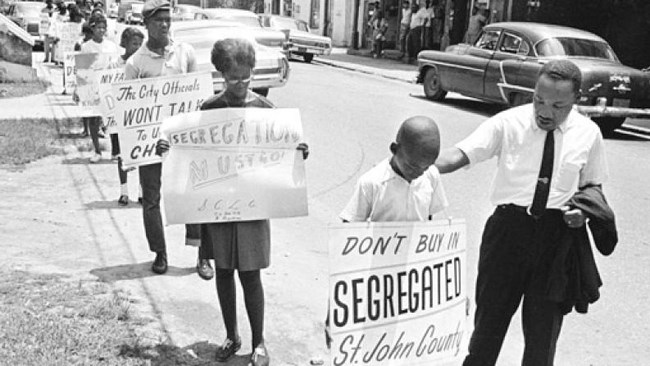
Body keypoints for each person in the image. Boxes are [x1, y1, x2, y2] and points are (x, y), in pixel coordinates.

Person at [434, 59, 610, 366]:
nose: (544, 112)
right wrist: (420, 166)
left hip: (556, 241)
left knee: (543, 338)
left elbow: (592, 186)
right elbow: (462, 154)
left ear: (576, 100)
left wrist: (583, 213)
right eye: (538, 100)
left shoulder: (589, 134)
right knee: (488, 328)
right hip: (508, 234)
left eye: (558, 106)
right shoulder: (509, 123)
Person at [156, 38, 309, 366]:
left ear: (253, 74)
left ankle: (259, 342)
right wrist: (170, 149)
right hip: (218, 207)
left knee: (250, 274)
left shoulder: (267, 111)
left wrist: (298, 151)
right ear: (220, 75)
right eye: (231, 78)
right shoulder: (209, 110)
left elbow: (287, 147)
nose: (239, 85)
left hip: (253, 207)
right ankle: (231, 334)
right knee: (224, 271)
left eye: (245, 78)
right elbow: (191, 151)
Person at [324, 115, 449, 347]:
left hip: (413, 275)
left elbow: (432, 225)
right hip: (377, 276)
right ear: (394, 149)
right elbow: (348, 241)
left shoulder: (430, 177)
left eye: (426, 166)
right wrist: (335, 308)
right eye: (413, 165)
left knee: (405, 339)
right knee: (372, 338)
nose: (419, 172)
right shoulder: (372, 183)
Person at [124, 0, 212, 279]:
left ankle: (202, 256)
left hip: (183, 140)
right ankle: (159, 253)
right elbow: (130, 111)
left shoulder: (185, 53)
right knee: (151, 199)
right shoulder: (135, 63)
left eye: (168, 20)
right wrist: (129, 149)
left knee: (195, 194)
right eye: (159, 20)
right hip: (150, 144)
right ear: (147, 23)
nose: (165, 25)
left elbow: (198, 95)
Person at [80, 13, 119, 163]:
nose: (101, 31)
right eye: (99, 28)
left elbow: (115, 66)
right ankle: (97, 151)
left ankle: (115, 151)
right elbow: (83, 70)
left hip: (108, 86)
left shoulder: (111, 46)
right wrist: (80, 90)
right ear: (93, 28)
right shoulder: (86, 47)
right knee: (93, 119)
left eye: (104, 28)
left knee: (112, 118)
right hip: (92, 85)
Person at [111, 27, 144, 206]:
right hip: (120, 115)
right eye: (133, 43)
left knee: (142, 153)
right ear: (124, 44)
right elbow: (106, 88)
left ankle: (141, 191)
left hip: (139, 115)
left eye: (140, 44)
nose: (137, 47)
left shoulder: (142, 63)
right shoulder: (116, 64)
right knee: (122, 155)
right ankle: (124, 191)